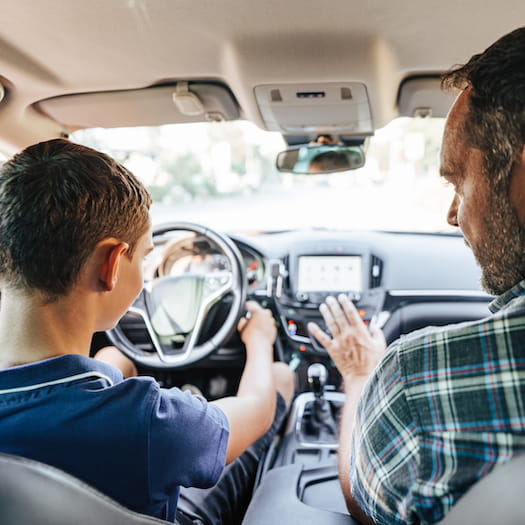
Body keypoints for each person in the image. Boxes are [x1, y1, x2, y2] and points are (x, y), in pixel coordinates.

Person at [0, 139, 294, 525]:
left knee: (115, 359)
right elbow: (256, 409)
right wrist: (260, 340)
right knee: (279, 377)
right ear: (111, 264)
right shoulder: (149, 422)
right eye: (144, 256)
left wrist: (114, 367)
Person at [308, 26, 525, 525]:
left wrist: (362, 374)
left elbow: (363, 502)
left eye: (457, 179)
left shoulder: (420, 379)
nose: (452, 215)